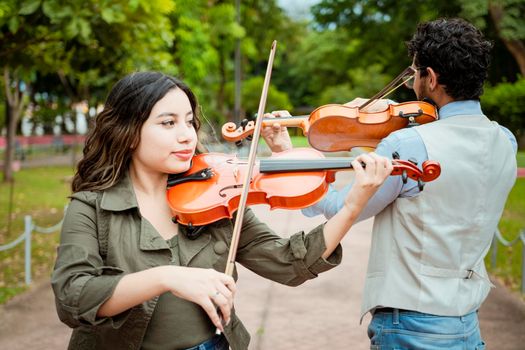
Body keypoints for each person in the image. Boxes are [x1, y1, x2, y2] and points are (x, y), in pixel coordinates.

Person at [51, 71, 392, 350]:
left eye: (189, 121)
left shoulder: (218, 196)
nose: (187, 135)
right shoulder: (91, 207)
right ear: (128, 133)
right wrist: (165, 277)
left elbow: (290, 263)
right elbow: (73, 297)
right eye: (168, 123)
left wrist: (353, 204)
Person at [262, 18, 518, 349]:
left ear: (433, 78)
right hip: (467, 320)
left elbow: (340, 207)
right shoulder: (505, 141)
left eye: (414, 75)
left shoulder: (411, 145)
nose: (411, 86)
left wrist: (286, 154)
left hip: (412, 321)